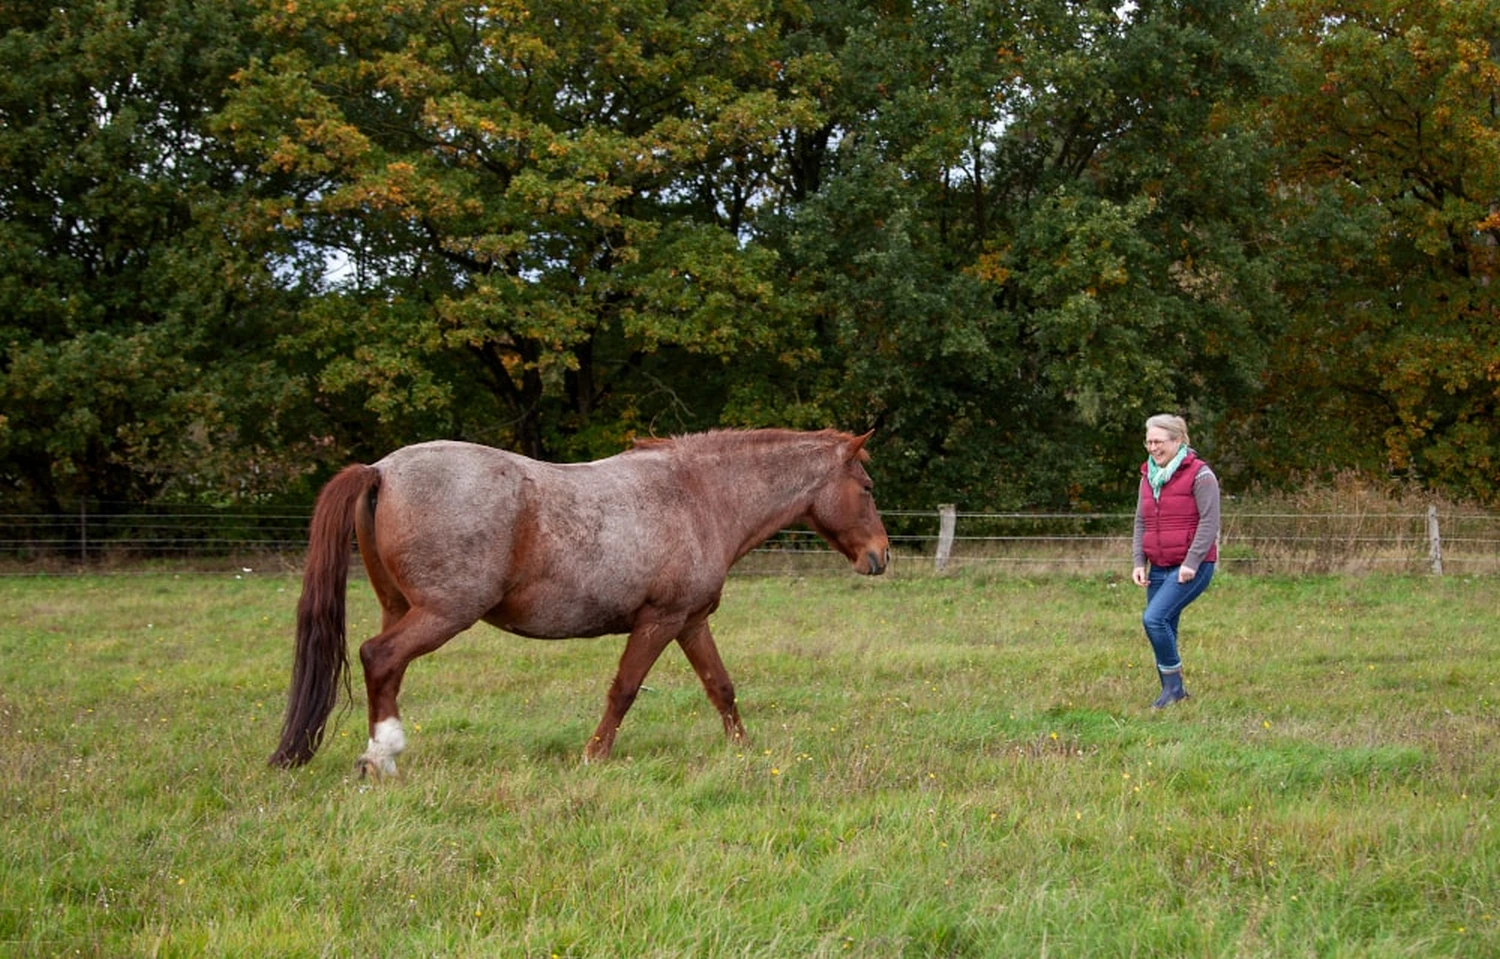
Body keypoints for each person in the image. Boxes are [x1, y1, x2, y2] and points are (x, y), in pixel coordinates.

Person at [1131, 414, 1220, 708]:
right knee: (1165, 623)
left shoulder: (1200, 474)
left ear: (1177, 440)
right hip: (1158, 565)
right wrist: (1138, 562)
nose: (1153, 448)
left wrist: (1192, 562)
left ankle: (1173, 688)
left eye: (1159, 441)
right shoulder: (1148, 476)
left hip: (1192, 566)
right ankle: (1173, 691)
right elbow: (1141, 521)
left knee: (1153, 619)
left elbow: (1209, 522)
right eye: (1149, 442)